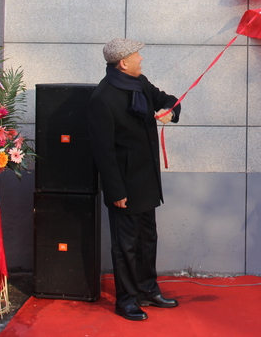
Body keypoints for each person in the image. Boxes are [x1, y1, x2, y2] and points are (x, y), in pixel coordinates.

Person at [88, 38, 181, 321]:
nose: (141, 59)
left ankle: (147, 290)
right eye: (137, 55)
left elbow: (166, 99)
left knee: (147, 238)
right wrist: (115, 191)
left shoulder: (140, 83)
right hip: (124, 185)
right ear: (123, 63)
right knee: (125, 245)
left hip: (147, 179)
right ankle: (126, 299)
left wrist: (170, 111)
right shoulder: (103, 97)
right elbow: (102, 151)